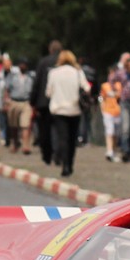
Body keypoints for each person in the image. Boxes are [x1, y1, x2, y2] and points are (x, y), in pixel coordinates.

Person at [46, 49, 84, 178]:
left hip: (59, 109)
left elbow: (48, 92)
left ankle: (64, 164)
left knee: (62, 138)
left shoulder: (53, 73)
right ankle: (70, 164)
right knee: (72, 139)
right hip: (74, 109)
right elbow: (86, 88)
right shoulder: (78, 72)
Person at [31, 40, 62, 166]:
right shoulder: (64, 63)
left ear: (50, 50)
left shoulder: (43, 62)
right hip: (60, 101)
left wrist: (33, 101)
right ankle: (58, 152)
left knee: (44, 130)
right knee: (59, 129)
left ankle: (47, 155)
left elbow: (37, 82)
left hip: (43, 102)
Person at [4, 58, 34, 154]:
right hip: (14, 101)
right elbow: (7, 89)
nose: (23, 66)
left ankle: (25, 145)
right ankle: (15, 142)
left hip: (26, 102)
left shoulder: (31, 77)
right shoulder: (12, 76)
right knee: (13, 125)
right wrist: (6, 102)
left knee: (25, 125)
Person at [99, 74, 122, 161]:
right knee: (110, 131)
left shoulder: (119, 85)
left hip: (117, 112)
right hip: (107, 111)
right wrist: (102, 106)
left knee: (115, 134)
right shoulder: (105, 86)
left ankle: (114, 151)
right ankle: (109, 151)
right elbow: (101, 97)